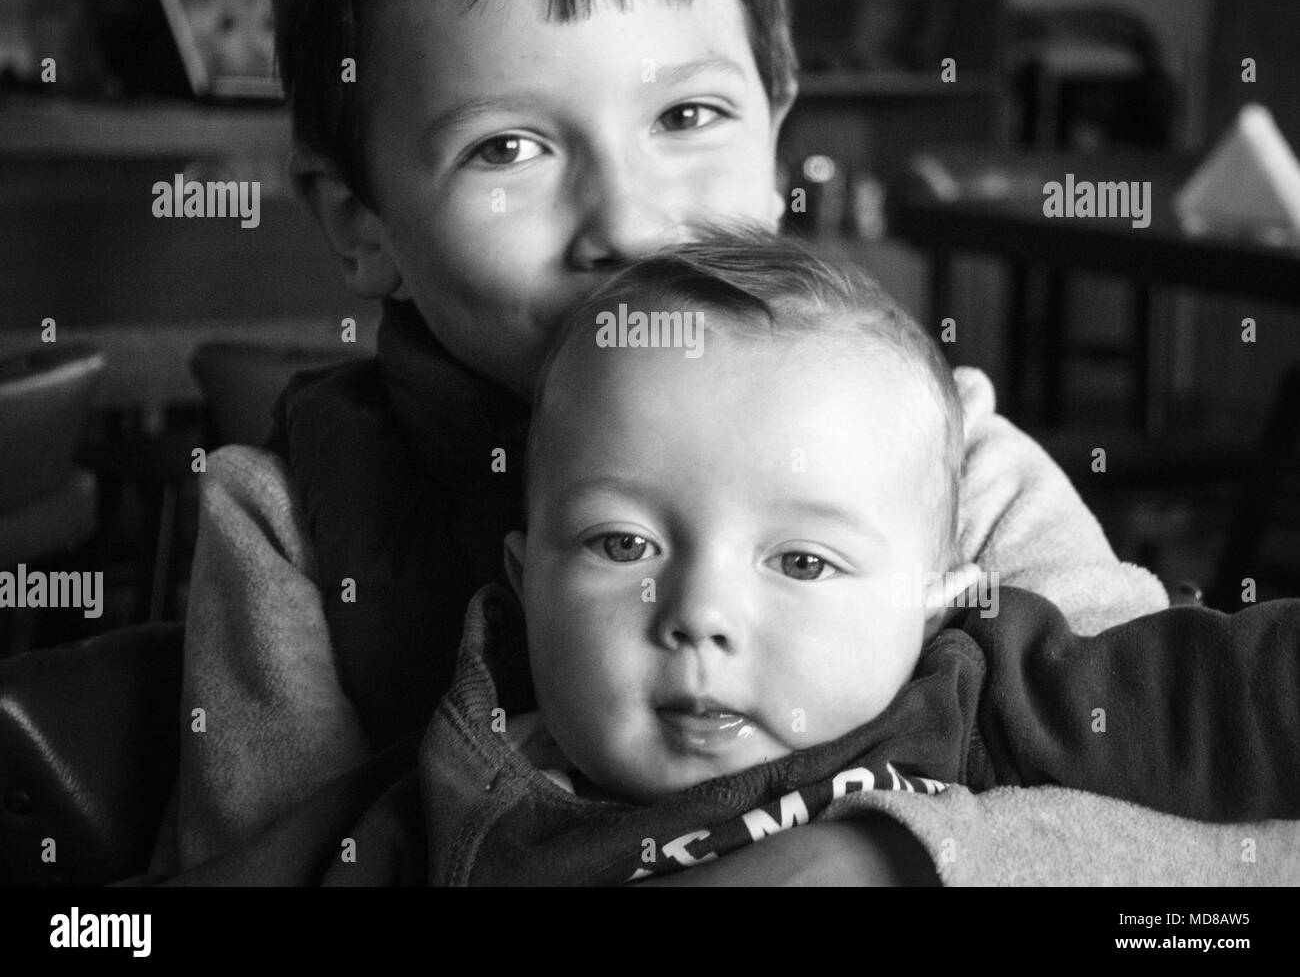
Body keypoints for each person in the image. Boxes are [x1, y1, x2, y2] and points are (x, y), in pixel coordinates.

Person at [155, 0, 1172, 883]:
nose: (631, 225)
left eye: (687, 117)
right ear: (360, 220)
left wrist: (887, 862)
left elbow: (1228, 834)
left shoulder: (952, 461)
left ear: (777, 137)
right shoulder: (293, 527)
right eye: (505, 148)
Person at [425, 232, 1300, 886]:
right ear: (526, 581)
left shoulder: (970, 700)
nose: (699, 613)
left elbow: (1204, 696)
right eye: (625, 546)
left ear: (931, 608)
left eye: (803, 563)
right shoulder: (470, 781)